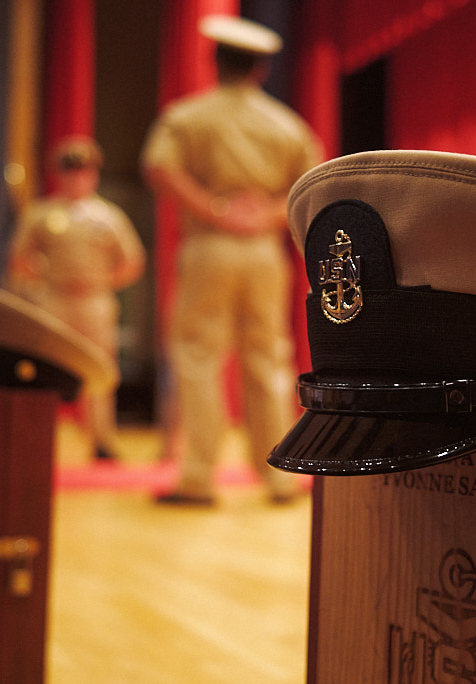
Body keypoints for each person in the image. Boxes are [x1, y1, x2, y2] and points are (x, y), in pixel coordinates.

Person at [140, 15, 323, 506]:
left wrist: (214, 209)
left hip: (209, 246)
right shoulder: (287, 124)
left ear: (214, 61)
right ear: (261, 69)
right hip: (264, 251)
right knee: (267, 356)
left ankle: (199, 477)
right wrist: (266, 215)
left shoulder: (188, 116)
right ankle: (280, 477)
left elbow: (159, 167)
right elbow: (313, 185)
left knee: (199, 355)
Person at [7, 136, 145, 459]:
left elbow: (132, 261)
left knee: (100, 372)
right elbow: (20, 257)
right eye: (69, 171)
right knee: (46, 368)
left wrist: (104, 281)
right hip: (55, 300)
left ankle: (100, 439)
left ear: (93, 174)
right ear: (59, 174)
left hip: (94, 300)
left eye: (84, 171)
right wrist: (44, 278)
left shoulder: (108, 216)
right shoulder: (42, 214)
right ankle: (39, 438)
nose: (77, 178)